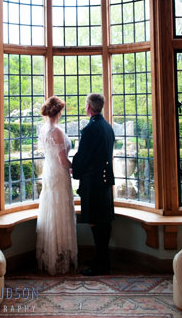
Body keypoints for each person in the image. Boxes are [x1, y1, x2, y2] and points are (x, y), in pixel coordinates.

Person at [72, 93, 115, 276]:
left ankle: (101, 265)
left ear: (89, 107)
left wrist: (75, 169)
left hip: (94, 181)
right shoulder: (107, 126)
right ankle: (101, 259)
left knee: (96, 223)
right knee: (103, 221)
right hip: (104, 180)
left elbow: (83, 155)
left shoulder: (90, 129)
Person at [36, 96, 78, 275]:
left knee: (51, 211)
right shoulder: (57, 131)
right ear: (59, 112)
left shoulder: (44, 129)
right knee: (61, 211)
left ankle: (52, 254)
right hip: (59, 175)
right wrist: (75, 166)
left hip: (49, 173)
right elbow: (63, 160)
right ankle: (60, 255)